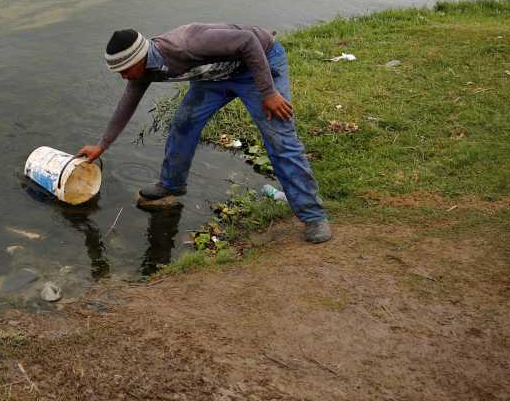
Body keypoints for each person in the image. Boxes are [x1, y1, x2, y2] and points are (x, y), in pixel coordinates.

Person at [77, 25, 332, 244]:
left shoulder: (186, 44)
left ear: (140, 58)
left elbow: (248, 41)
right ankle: (171, 184)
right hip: (214, 78)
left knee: (279, 138)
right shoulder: (144, 70)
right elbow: (127, 103)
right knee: (183, 125)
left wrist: (268, 93)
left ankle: (313, 216)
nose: (123, 77)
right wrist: (103, 144)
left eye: (125, 70)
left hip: (258, 66)